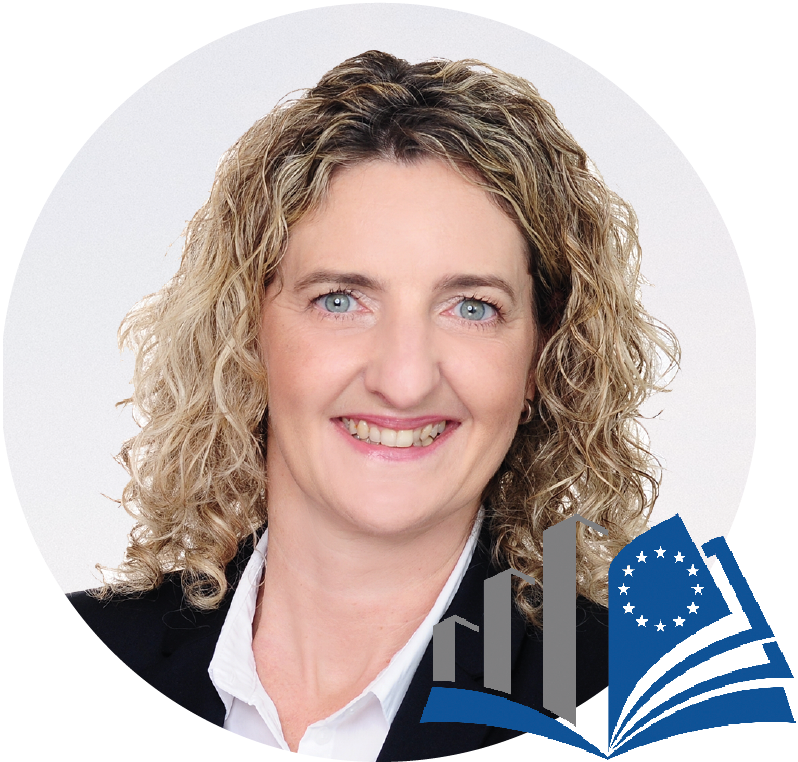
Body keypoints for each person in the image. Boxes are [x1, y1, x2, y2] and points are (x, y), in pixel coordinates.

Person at [68, 51, 678, 760]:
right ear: (245, 333)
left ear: (545, 358)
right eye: (340, 300)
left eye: (472, 307)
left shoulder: (641, 697)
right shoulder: (63, 664)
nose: (405, 380)